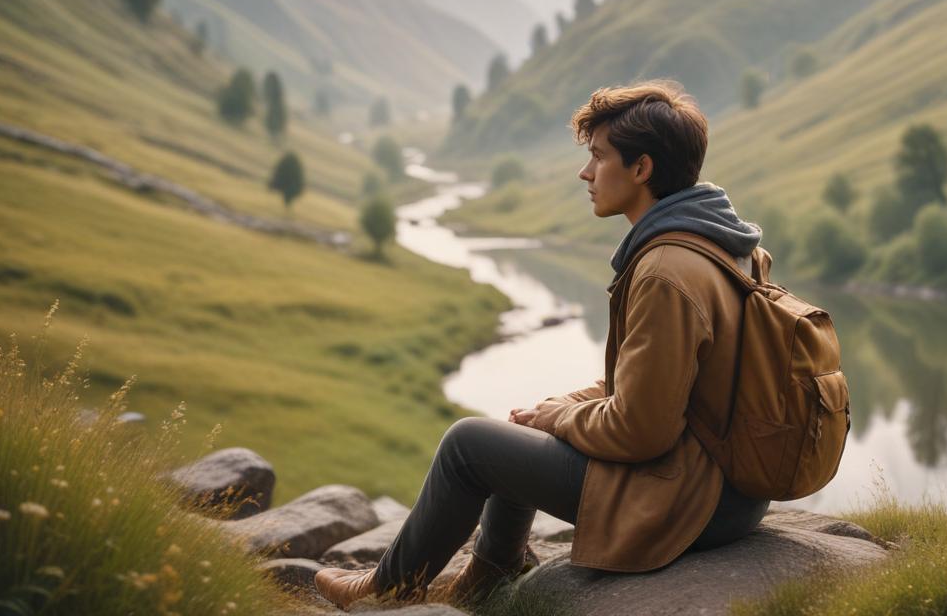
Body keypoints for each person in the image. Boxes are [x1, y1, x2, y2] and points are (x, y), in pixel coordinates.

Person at [316, 80, 770, 608]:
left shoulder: (666, 271)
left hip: (691, 500)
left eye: (599, 158)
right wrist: (559, 409)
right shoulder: (719, 240)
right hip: (729, 490)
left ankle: (388, 590)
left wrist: (557, 420)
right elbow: (660, 383)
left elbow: (643, 431)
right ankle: (493, 571)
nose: (586, 172)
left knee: (468, 445)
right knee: (523, 431)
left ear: (642, 169)